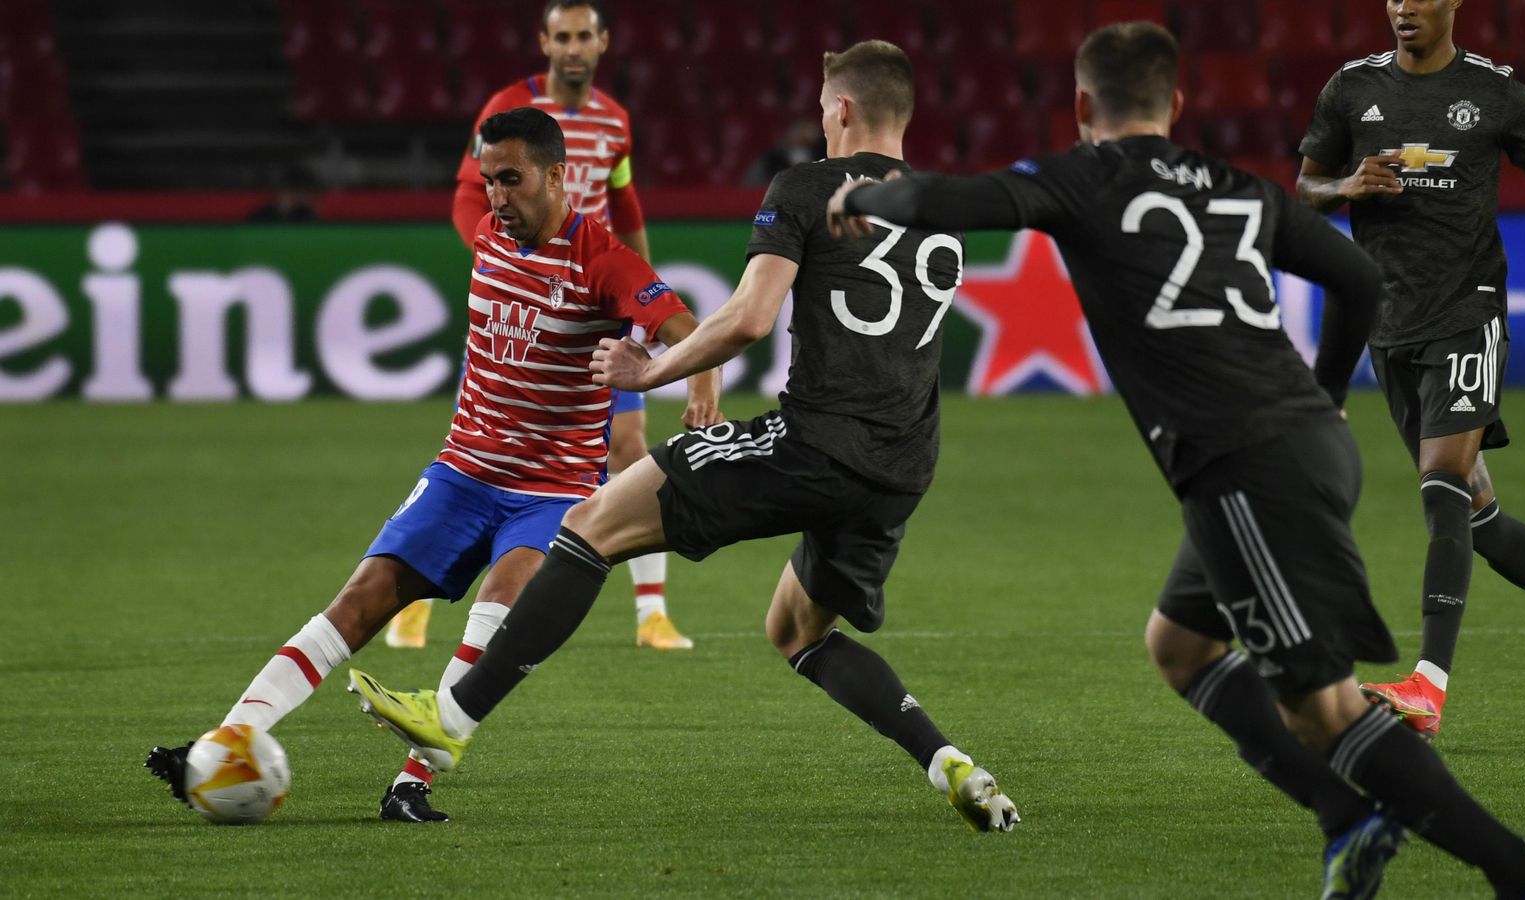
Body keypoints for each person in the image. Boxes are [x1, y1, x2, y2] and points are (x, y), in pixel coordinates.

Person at [823, 21, 1525, 899]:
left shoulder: (1077, 179)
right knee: (1179, 644)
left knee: (1324, 709)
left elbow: (956, 202)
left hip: (1244, 464)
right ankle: (1347, 819)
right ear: (1177, 104)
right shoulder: (1237, 187)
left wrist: (867, 198)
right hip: (1300, 445)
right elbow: (1361, 281)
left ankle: (1521, 872)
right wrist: (1329, 395)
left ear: (1079, 106)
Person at [346, 40, 1020, 834]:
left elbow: (748, 318)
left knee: (586, 527)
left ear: (840, 110)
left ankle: (450, 717)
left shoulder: (804, 187)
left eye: (821, 105)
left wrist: (649, 371)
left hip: (814, 444)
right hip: (903, 465)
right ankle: (952, 764)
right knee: (798, 632)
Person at [146, 107, 722, 825]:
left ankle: (412, 783)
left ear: (556, 175)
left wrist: (690, 389)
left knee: (495, 613)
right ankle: (228, 741)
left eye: (511, 180)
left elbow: (692, 332)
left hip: (551, 494)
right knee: (356, 603)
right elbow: (473, 196)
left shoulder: (604, 262)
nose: (498, 198)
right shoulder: (488, 231)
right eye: (490, 182)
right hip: (463, 472)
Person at [1296, 0, 1525, 741]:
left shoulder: (1498, 95)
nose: (1403, 9)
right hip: (1389, 326)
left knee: (1442, 487)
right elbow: (1304, 188)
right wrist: (1346, 189)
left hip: (1469, 311)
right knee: (1479, 520)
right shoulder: (1349, 90)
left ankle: (1427, 685)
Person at [387, 0, 692, 653]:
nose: (573, 48)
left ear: (603, 42)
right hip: (521, 311)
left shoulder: (615, 121)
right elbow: (469, 194)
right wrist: (502, 261)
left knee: (630, 446)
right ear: (545, 43)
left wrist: (640, 283)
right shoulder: (508, 107)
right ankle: (414, 599)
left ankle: (652, 612)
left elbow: (625, 201)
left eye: (584, 36)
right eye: (562, 37)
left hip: (590, 303)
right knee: (481, 456)